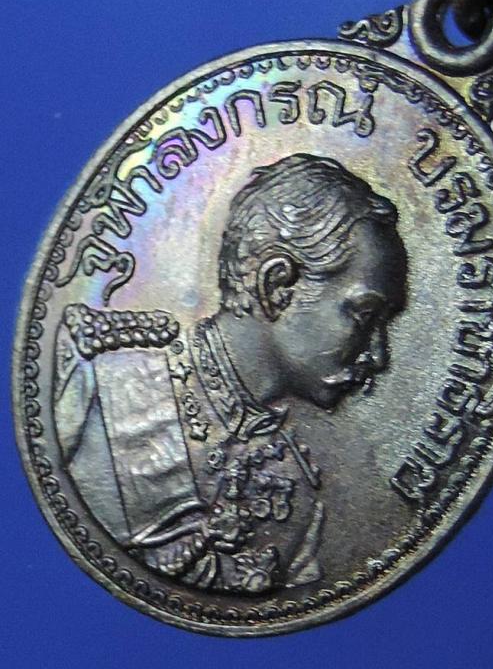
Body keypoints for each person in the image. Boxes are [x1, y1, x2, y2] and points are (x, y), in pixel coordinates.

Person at [53, 154, 407, 593]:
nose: (378, 355)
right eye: (365, 315)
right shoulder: (98, 387)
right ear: (277, 286)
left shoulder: (300, 495)